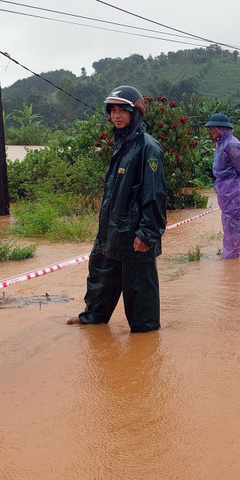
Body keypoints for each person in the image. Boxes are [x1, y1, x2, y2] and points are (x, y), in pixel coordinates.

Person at [67, 86, 167, 332]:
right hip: (111, 231)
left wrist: (147, 234)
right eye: (112, 110)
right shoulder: (121, 144)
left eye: (123, 109)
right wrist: (105, 230)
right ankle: (92, 318)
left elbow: (154, 194)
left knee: (140, 293)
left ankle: (144, 342)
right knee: (101, 277)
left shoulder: (148, 147)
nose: (117, 115)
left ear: (136, 112)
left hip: (135, 236)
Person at [205, 113, 240, 259]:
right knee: (228, 222)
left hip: (234, 189)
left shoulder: (232, 145)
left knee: (233, 224)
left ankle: (231, 258)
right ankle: (230, 255)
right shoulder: (221, 143)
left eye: (213, 128)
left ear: (221, 129)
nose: (210, 131)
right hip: (226, 189)